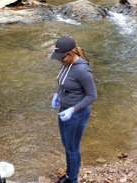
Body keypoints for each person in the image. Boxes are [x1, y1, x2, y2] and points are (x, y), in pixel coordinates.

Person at [51, 36, 97, 183]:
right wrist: (58, 93)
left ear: (70, 54)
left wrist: (73, 109)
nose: (60, 61)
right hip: (64, 109)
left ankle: (72, 179)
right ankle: (69, 173)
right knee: (66, 144)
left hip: (77, 114)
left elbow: (92, 95)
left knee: (72, 148)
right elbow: (65, 81)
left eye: (62, 58)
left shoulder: (82, 70)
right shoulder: (66, 62)